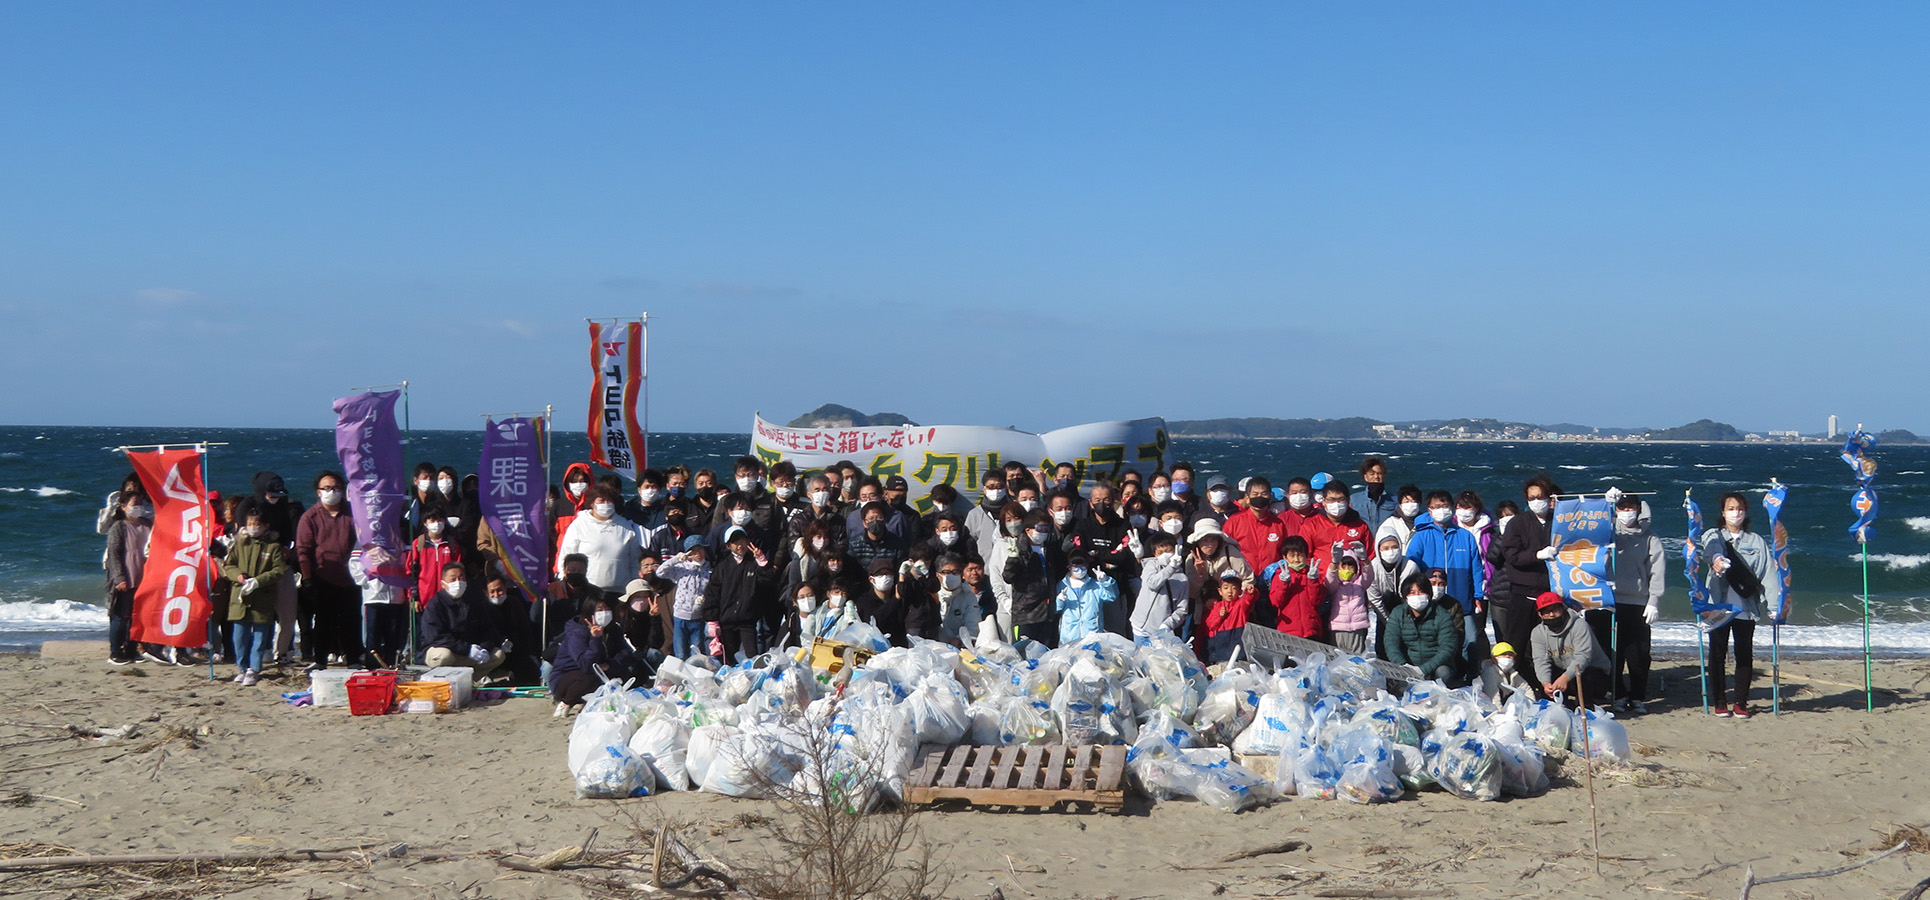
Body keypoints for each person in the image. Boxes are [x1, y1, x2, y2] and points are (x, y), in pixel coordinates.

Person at [1702, 491, 1772, 718]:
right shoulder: (1714, 535)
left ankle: (1741, 702)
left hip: (1745, 607)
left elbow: (1767, 573)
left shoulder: (1756, 541)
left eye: (1740, 509)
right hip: (1718, 605)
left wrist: (1774, 604)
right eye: (1731, 509)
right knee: (1716, 654)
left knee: (1744, 654)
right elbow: (1710, 550)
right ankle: (1720, 701)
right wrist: (1717, 562)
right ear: (1723, 512)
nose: (1736, 513)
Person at [236, 471, 304, 667]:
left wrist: (282, 545)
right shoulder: (246, 505)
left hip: (279, 565)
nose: (275, 499)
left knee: (288, 613)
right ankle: (253, 655)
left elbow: (287, 533)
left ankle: (283, 652)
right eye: (271, 495)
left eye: (278, 495)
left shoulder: (283, 505)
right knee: (254, 616)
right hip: (253, 568)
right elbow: (241, 537)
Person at [295, 470, 360, 669]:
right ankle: (320, 660)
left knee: (351, 620)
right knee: (323, 622)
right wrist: (307, 580)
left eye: (336, 488)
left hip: (351, 577)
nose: (332, 491)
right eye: (327, 488)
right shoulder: (310, 517)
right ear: (318, 492)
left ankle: (354, 659)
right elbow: (303, 550)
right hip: (322, 579)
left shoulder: (353, 513)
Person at [1608, 493, 1666, 712]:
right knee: (1614, 651)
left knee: (1639, 653)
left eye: (1630, 508)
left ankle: (1638, 696)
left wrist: (1653, 601)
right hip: (1611, 601)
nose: (1626, 512)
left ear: (1639, 510)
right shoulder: (1610, 533)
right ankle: (1618, 695)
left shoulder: (1651, 539)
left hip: (1639, 603)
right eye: (1621, 508)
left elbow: (1657, 572)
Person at [220, 507, 288, 685]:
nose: (252, 528)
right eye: (249, 524)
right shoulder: (240, 544)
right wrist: (239, 576)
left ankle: (254, 669)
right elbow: (228, 565)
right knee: (239, 637)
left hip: (263, 597)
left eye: (256, 524)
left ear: (265, 526)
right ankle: (242, 668)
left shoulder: (273, 547)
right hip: (240, 597)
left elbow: (279, 570)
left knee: (259, 636)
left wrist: (258, 581)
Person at [1495, 475, 1561, 660]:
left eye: (1540, 497)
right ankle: (1515, 684)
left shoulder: (1559, 522)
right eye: (1531, 498)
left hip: (1551, 594)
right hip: (1523, 594)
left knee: (1549, 645)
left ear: (1549, 498)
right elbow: (1510, 554)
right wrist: (1537, 555)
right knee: (1517, 643)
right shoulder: (1517, 523)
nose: (1536, 501)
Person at [1403, 490, 1485, 625]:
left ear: (1452, 508)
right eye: (1437, 507)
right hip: (1430, 603)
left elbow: (1476, 570)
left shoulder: (1465, 536)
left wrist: (1477, 596)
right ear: (1430, 511)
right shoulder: (1421, 536)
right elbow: (1410, 569)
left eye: (1445, 506)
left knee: (1469, 640)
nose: (1442, 510)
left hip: (1461, 602)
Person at [700, 525, 778, 663]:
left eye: (742, 540)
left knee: (752, 657)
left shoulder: (753, 563)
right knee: (728, 660)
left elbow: (769, 581)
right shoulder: (722, 567)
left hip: (747, 620)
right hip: (726, 621)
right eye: (735, 542)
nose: (739, 545)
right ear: (728, 545)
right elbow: (712, 594)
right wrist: (712, 620)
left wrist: (762, 562)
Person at [420, 562, 508, 677]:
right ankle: (444, 681)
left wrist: (485, 648)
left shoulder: (475, 600)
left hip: (469, 650)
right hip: (443, 649)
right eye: (453, 579)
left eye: (461, 578)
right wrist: (467, 649)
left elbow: (488, 628)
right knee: (444, 656)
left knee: (498, 655)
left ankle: (469, 681)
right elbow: (437, 636)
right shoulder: (435, 605)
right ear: (443, 584)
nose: (458, 582)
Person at [557, 487, 642, 600]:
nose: (606, 504)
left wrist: (634, 586)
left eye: (609, 501)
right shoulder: (579, 524)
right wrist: (564, 581)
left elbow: (634, 560)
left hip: (620, 591)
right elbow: (566, 554)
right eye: (601, 501)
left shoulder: (625, 526)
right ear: (592, 503)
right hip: (587, 591)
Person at [1529, 592, 1611, 707]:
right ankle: (1560, 708)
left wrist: (1565, 678)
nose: (1552, 614)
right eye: (1546, 611)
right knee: (1540, 673)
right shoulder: (1537, 632)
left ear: (1563, 608)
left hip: (1594, 674)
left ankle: (1586, 709)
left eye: (1555, 610)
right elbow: (1540, 660)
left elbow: (1583, 657)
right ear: (1540, 614)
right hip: (1563, 672)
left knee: (1582, 675)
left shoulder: (1579, 625)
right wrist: (1545, 683)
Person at [1004, 510, 1067, 647]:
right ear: (1028, 530)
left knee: (1046, 655)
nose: (1043, 533)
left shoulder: (1049, 549)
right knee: (1024, 655)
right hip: (1026, 616)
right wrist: (1013, 559)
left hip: (1047, 613)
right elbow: (1008, 577)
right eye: (1040, 529)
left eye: (1046, 529)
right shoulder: (1019, 550)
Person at [102, 490, 151, 665]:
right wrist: (119, 578)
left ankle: (132, 650)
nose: (138, 507)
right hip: (126, 579)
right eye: (134, 504)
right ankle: (115, 651)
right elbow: (114, 555)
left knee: (137, 617)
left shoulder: (147, 525)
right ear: (123, 507)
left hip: (144, 579)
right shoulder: (119, 527)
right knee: (120, 617)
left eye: (140, 504)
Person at [1385, 574, 1462, 685]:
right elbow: (1391, 643)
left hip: (1437, 666)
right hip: (1408, 665)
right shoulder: (1398, 613)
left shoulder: (1442, 615)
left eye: (1421, 592)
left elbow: (1447, 648)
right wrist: (1403, 666)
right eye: (1412, 592)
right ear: (1406, 597)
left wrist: (1423, 669)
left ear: (1429, 595)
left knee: (1444, 673)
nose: (1417, 595)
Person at [548, 598, 619, 715]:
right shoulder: (577, 633)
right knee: (590, 676)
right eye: (600, 610)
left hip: (599, 669)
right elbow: (585, 663)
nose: (605, 613)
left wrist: (610, 665)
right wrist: (595, 639)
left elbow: (624, 652)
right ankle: (566, 702)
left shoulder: (613, 629)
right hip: (567, 677)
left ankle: (582, 700)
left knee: (620, 673)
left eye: (607, 609)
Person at [1301, 481, 1377, 579]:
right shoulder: (1311, 525)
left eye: (1341, 499)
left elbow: (1370, 555)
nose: (1336, 504)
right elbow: (1304, 556)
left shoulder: (1360, 525)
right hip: (1320, 581)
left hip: (1352, 584)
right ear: (1323, 501)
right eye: (1331, 500)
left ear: (1348, 500)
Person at [349, 543, 406, 669]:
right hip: (373, 595)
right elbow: (354, 561)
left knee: (393, 634)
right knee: (373, 635)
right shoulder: (364, 537)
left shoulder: (395, 537)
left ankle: (392, 665)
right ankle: (372, 667)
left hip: (395, 594)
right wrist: (366, 580)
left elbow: (404, 560)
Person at [1259, 536, 1326, 640]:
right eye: (1292, 555)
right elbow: (1276, 602)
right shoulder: (1279, 575)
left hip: (1311, 630)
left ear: (1306, 555)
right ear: (1285, 558)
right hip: (1288, 631)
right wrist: (1283, 583)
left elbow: (1317, 601)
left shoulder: (1313, 574)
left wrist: (1313, 580)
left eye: (1300, 555)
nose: (1296, 559)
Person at [1367, 534, 1420, 659]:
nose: (1391, 551)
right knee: (1383, 645)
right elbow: (1375, 599)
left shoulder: (1410, 566)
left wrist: (1405, 621)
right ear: (1378, 550)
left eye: (1394, 547)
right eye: (1386, 548)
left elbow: (1413, 594)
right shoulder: (1373, 567)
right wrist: (1389, 622)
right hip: (1383, 610)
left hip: (1406, 610)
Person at [1224, 476, 1294, 571]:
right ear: (1247, 498)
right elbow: (1224, 551)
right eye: (1255, 494)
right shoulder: (1234, 522)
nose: (1259, 497)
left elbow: (1284, 552)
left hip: (1272, 578)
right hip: (1244, 579)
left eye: (1264, 494)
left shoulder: (1278, 524)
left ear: (1270, 498)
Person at [659, 536, 713, 660]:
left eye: (700, 550)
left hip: (698, 617)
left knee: (696, 652)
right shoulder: (681, 568)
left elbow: (713, 591)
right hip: (680, 616)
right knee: (681, 653)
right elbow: (660, 572)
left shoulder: (709, 570)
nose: (697, 554)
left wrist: (704, 599)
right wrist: (676, 559)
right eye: (693, 551)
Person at [405, 507, 463, 619]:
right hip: (424, 600)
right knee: (424, 633)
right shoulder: (419, 544)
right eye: (432, 520)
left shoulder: (451, 544)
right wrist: (414, 598)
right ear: (425, 523)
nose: (437, 524)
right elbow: (410, 572)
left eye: (440, 520)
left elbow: (459, 571)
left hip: (448, 599)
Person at [1130, 535, 1189, 642]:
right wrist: (1170, 568)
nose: (1165, 555)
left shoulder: (1182, 579)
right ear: (1154, 554)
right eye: (1160, 552)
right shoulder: (1151, 565)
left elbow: (1182, 609)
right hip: (1139, 626)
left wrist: (1168, 624)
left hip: (1160, 632)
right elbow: (1152, 583)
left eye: (1168, 550)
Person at [1054, 554, 1118, 645]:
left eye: (1082, 567)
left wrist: (1106, 581)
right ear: (1069, 567)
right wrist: (1059, 600)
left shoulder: (1096, 585)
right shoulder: (1062, 585)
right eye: (1075, 567)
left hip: (1093, 635)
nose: (1080, 570)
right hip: (1069, 637)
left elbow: (1111, 596)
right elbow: (1055, 610)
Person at [1323, 547, 1371, 656]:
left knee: (1356, 660)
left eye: (1350, 566)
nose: (1347, 569)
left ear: (1356, 568)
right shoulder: (1336, 585)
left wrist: (1365, 560)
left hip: (1357, 628)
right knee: (1337, 658)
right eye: (1343, 566)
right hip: (1338, 628)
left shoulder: (1360, 583)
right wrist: (1334, 563)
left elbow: (1369, 576)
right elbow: (1329, 581)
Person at [1202, 575, 1255, 664]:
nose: (1230, 592)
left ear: (1240, 591)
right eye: (1226, 588)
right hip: (1221, 647)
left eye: (1234, 588)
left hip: (1238, 645)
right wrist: (1220, 616)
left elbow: (1249, 600)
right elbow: (1210, 625)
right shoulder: (1217, 607)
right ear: (1220, 591)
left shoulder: (1240, 605)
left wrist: (1250, 592)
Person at [932, 553, 980, 646]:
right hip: (935, 646)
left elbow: (973, 626)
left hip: (960, 647)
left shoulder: (969, 596)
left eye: (955, 572)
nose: (951, 576)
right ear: (938, 575)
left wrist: (959, 640)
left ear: (961, 574)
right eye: (946, 572)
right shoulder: (933, 594)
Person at [857, 558, 909, 644]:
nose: (885, 577)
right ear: (871, 579)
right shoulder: (864, 600)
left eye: (888, 574)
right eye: (880, 574)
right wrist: (895, 600)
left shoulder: (901, 597)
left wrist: (902, 576)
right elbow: (874, 620)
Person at [553, 462, 595, 560]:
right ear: (567, 483)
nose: (578, 484)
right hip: (563, 558)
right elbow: (552, 536)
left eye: (582, 481)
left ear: (589, 482)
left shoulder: (595, 505)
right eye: (574, 481)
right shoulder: (559, 505)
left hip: (590, 558)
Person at [848, 500, 908, 568]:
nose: (875, 521)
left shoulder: (897, 543)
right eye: (871, 519)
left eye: (879, 518)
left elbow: (901, 567)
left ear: (885, 520)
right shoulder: (854, 543)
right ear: (864, 523)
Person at [965, 472, 1008, 563]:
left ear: (1005, 487)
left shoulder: (1013, 511)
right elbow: (968, 545)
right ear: (984, 489)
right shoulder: (974, 514)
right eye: (991, 487)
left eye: (999, 486)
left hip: (1011, 569)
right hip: (984, 571)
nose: (996, 490)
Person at [1349, 457, 1397, 530]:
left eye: (1379, 473)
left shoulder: (1394, 500)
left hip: (1386, 540)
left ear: (1384, 476)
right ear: (1366, 477)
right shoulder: (1354, 499)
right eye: (1372, 474)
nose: (1376, 477)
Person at [1374, 484, 1425, 550]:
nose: (1410, 504)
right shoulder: (1390, 523)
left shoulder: (1426, 523)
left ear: (1419, 504)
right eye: (1407, 501)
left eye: (1413, 501)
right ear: (1400, 504)